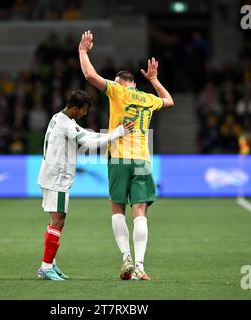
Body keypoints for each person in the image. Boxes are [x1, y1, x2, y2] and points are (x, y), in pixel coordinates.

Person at [78, 30, 175, 280]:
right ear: (134, 83)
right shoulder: (147, 98)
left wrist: (82, 51)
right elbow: (170, 101)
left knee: (117, 210)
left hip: (120, 158)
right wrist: (154, 79)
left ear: (120, 83)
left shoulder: (118, 92)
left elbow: (89, 75)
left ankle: (126, 258)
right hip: (143, 159)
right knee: (140, 212)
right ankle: (140, 267)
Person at [37, 89, 134, 280]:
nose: (85, 113)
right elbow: (89, 145)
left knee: (56, 220)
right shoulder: (66, 124)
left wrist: (115, 132)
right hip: (56, 178)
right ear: (74, 108)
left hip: (53, 176)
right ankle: (45, 267)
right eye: (83, 110)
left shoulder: (62, 119)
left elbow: (89, 136)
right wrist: (117, 134)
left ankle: (50, 264)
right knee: (58, 221)